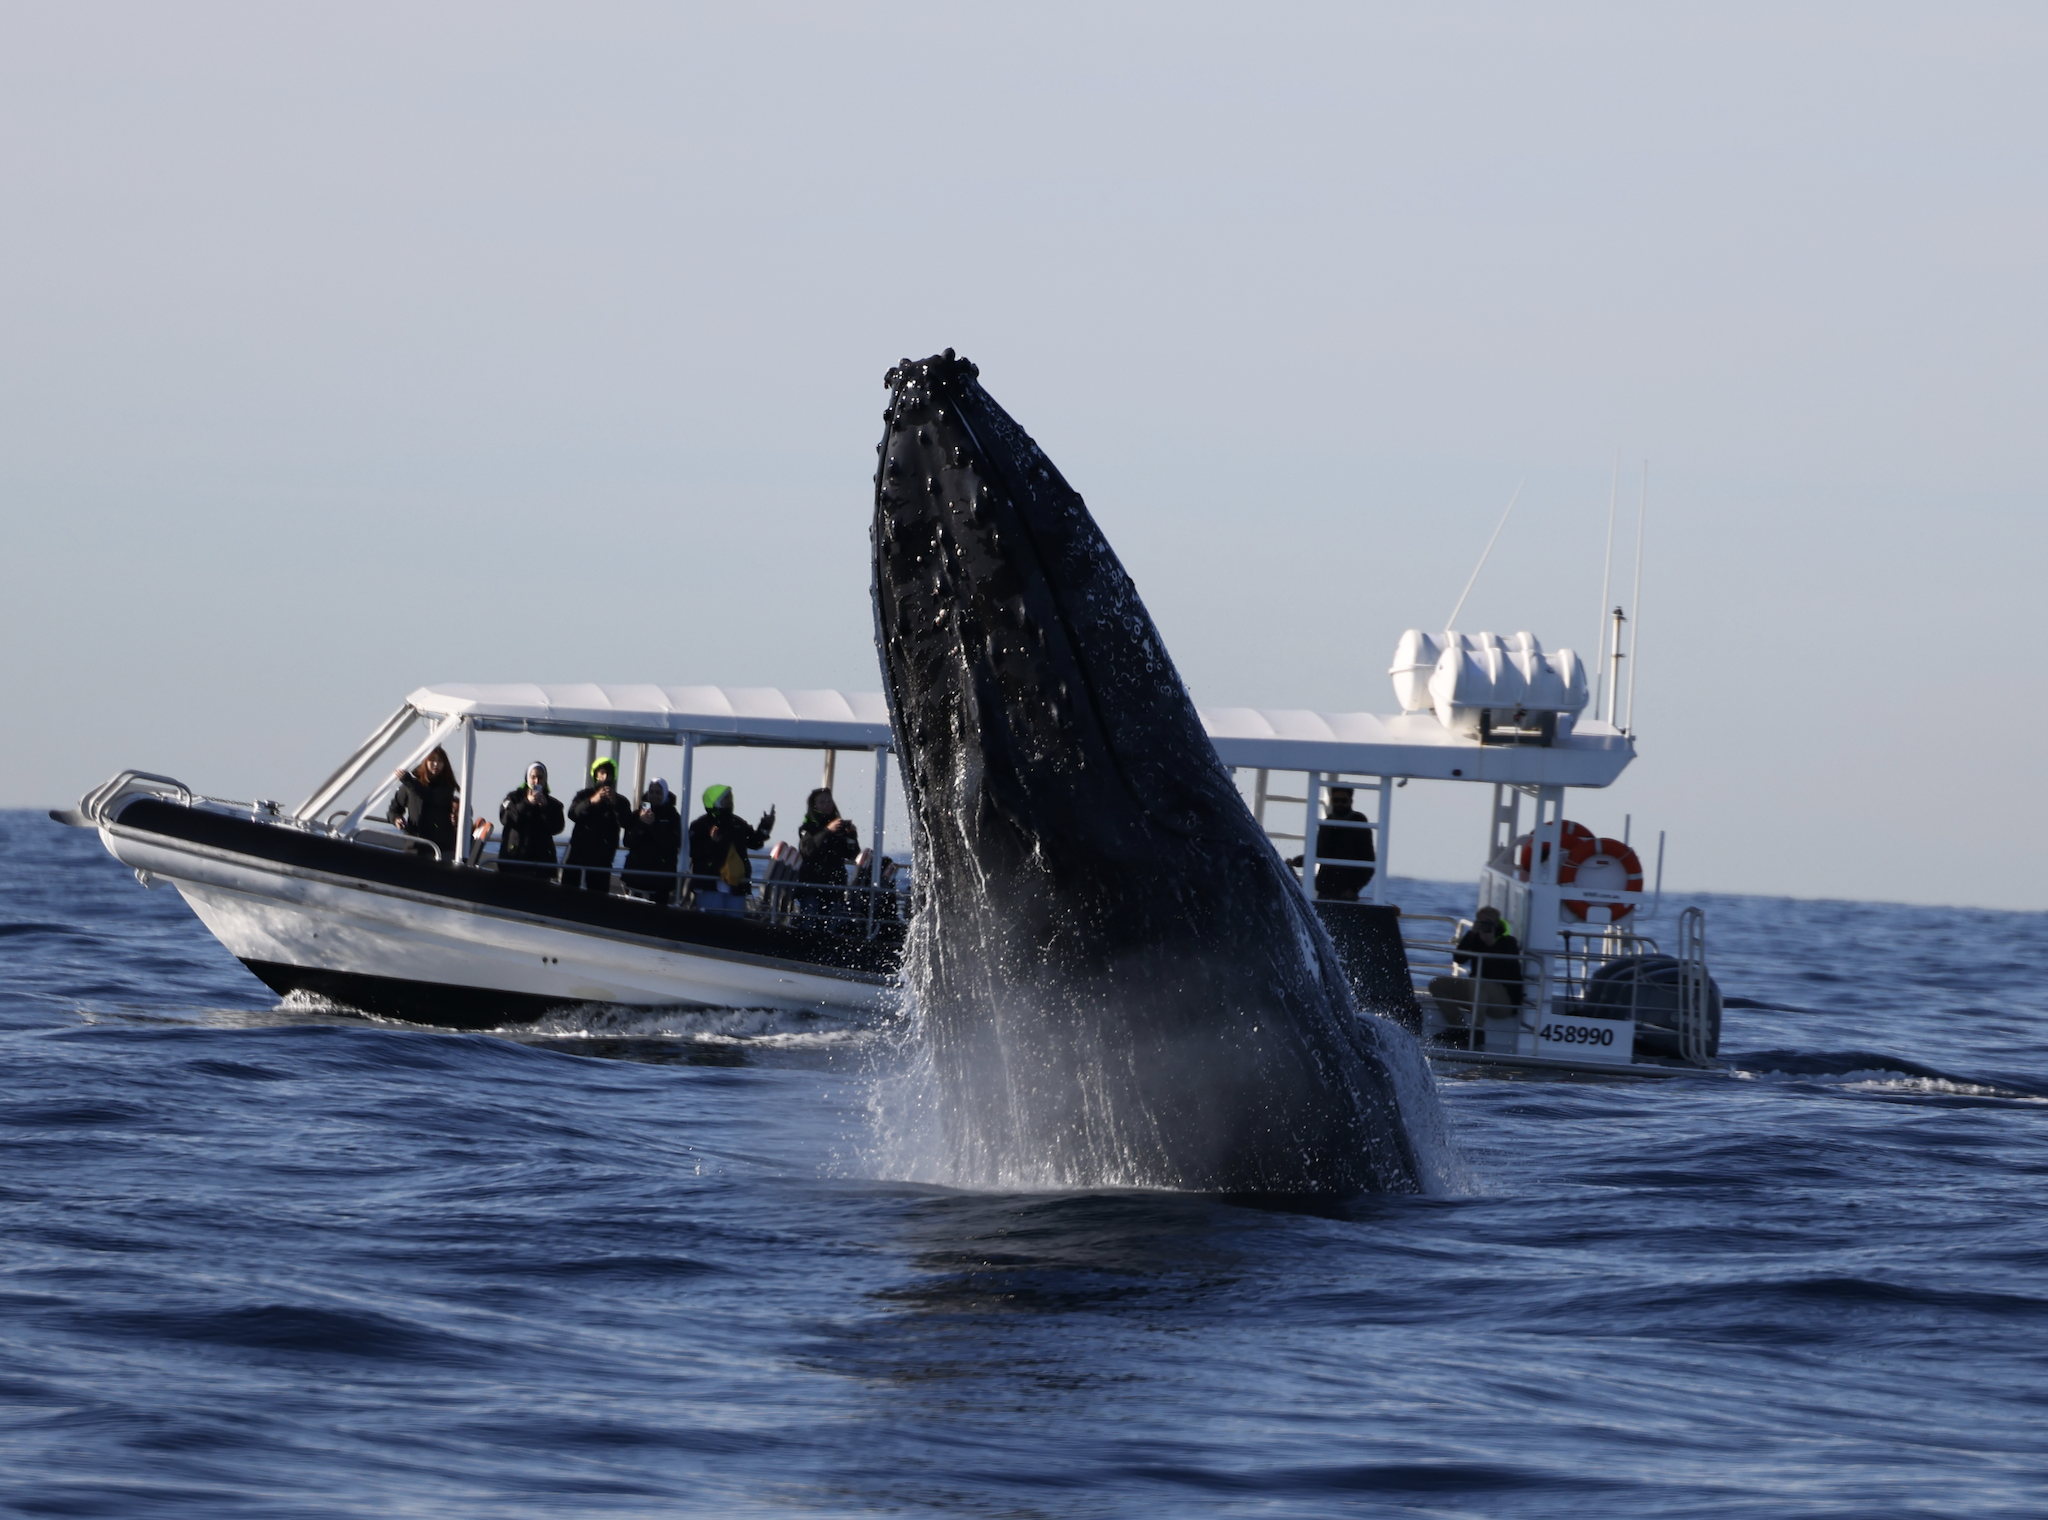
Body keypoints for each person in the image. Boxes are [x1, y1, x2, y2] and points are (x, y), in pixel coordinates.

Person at [1427, 906, 1526, 1033]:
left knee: (1478, 982)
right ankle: (1458, 1028)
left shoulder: (1509, 943)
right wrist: (1471, 935)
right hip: (1478, 994)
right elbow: (1458, 958)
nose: (1484, 926)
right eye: (1480, 922)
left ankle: (1476, 1031)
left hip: (1503, 1002)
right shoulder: (1476, 940)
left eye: (1487, 923)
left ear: (1496, 924)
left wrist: (1491, 944)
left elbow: (1501, 970)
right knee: (1437, 984)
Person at [687, 785, 775, 915]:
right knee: (711, 922)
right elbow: (694, 852)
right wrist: (712, 842)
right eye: (725, 797)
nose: (729, 800)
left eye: (729, 797)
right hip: (710, 884)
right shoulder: (700, 825)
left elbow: (755, 842)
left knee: (735, 923)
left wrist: (765, 826)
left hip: (736, 885)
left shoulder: (737, 823)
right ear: (714, 800)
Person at [1286, 786, 1376, 900]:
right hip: (1325, 888)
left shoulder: (1358, 823)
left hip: (1346, 891)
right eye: (1336, 800)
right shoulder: (1328, 822)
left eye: (1343, 801)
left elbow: (1369, 861)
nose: (1339, 804)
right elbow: (1319, 852)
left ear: (1350, 802)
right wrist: (1297, 862)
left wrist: (1353, 888)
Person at [565, 757, 636, 895]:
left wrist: (615, 803)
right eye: (602, 773)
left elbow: (626, 822)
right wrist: (591, 801)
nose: (605, 777)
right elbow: (572, 814)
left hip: (602, 859)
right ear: (596, 775)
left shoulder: (621, 801)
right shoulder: (583, 795)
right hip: (577, 856)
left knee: (598, 898)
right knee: (569, 894)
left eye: (609, 774)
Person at [795, 787, 861, 916]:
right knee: (808, 924)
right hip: (812, 887)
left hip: (835, 887)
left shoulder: (840, 829)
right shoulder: (807, 829)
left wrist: (851, 836)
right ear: (814, 806)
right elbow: (808, 850)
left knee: (831, 926)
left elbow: (852, 855)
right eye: (822, 802)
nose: (827, 805)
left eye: (829, 801)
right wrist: (827, 831)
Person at [387, 747, 459, 859]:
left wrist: (409, 781)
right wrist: (396, 818)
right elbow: (394, 808)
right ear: (425, 761)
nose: (436, 764)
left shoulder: (446, 786)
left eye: (440, 761)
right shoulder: (409, 786)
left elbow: (432, 798)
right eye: (432, 760)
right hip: (415, 846)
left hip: (441, 847)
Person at [498, 762, 565, 882]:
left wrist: (545, 808)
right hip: (515, 860)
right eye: (533, 777)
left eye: (540, 777)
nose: (536, 781)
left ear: (545, 780)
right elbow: (506, 818)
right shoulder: (513, 798)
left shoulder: (554, 805)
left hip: (541, 864)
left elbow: (557, 827)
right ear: (527, 778)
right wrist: (527, 804)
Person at [622, 778, 684, 904]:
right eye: (652, 792)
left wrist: (654, 825)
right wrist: (640, 823)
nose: (654, 796)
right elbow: (628, 841)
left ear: (665, 794)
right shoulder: (637, 814)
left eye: (658, 792)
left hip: (660, 879)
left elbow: (672, 844)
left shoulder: (672, 816)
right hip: (636, 877)